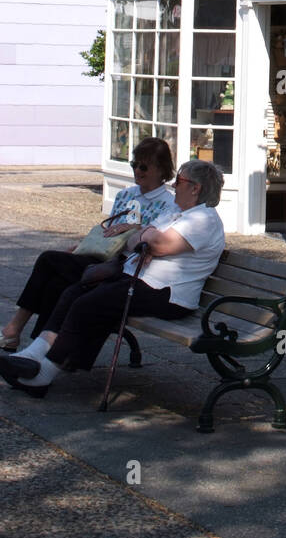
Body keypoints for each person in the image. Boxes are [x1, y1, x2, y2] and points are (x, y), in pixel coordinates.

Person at [0, 159, 225, 398]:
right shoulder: (176, 213)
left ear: (195, 188)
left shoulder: (203, 219)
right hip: (139, 280)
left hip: (168, 293)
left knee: (89, 304)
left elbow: (157, 245)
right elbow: (132, 239)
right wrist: (146, 237)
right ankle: (32, 355)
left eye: (179, 181)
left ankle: (42, 375)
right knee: (74, 292)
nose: (173, 185)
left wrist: (147, 237)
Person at [1, 137, 179, 350]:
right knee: (56, 282)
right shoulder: (125, 194)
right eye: (134, 164)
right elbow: (107, 231)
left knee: (48, 261)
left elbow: (156, 242)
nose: (137, 171)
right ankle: (39, 350)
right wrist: (82, 245)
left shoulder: (169, 204)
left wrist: (135, 229)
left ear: (161, 169)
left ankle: (15, 331)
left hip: (122, 267)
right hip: (99, 256)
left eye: (144, 166)